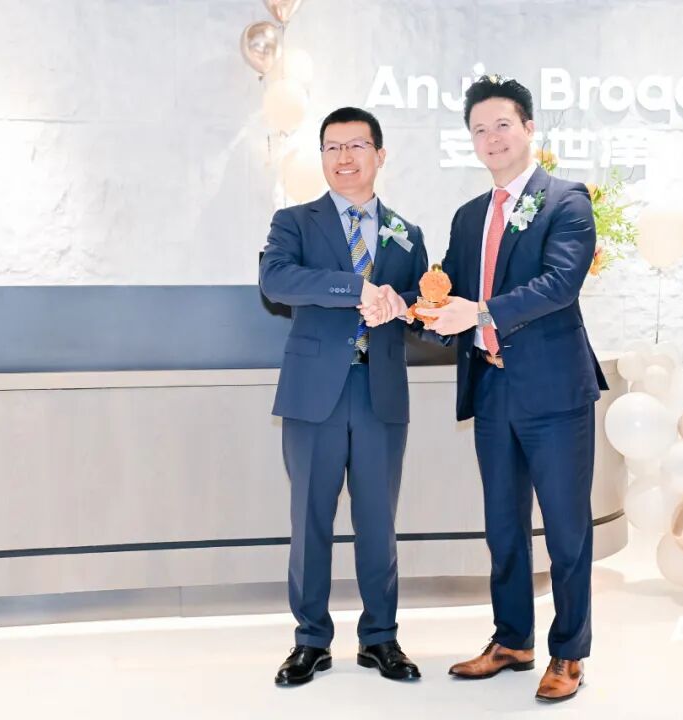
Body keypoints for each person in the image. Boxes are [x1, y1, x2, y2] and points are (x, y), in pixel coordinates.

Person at [416, 76, 608, 703]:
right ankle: (513, 639)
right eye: (479, 129)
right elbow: (451, 294)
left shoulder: (567, 200)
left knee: (566, 530)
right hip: (492, 390)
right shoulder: (469, 216)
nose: (492, 138)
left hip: (555, 394)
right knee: (502, 526)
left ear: (528, 129)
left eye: (502, 125)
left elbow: (559, 285)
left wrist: (478, 313)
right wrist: (420, 309)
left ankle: (569, 651)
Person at [259, 106, 427, 686]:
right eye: (332, 147)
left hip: (380, 392)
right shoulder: (294, 222)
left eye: (356, 145)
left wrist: (407, 305)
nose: (344, 157)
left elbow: (421, 305)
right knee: (310, 519)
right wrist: (357, 287)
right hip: (314, 395)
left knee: (379, 521)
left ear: (380, 154)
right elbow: (276, 281)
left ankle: (380, 638)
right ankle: (310, 641)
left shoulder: (407, 232)